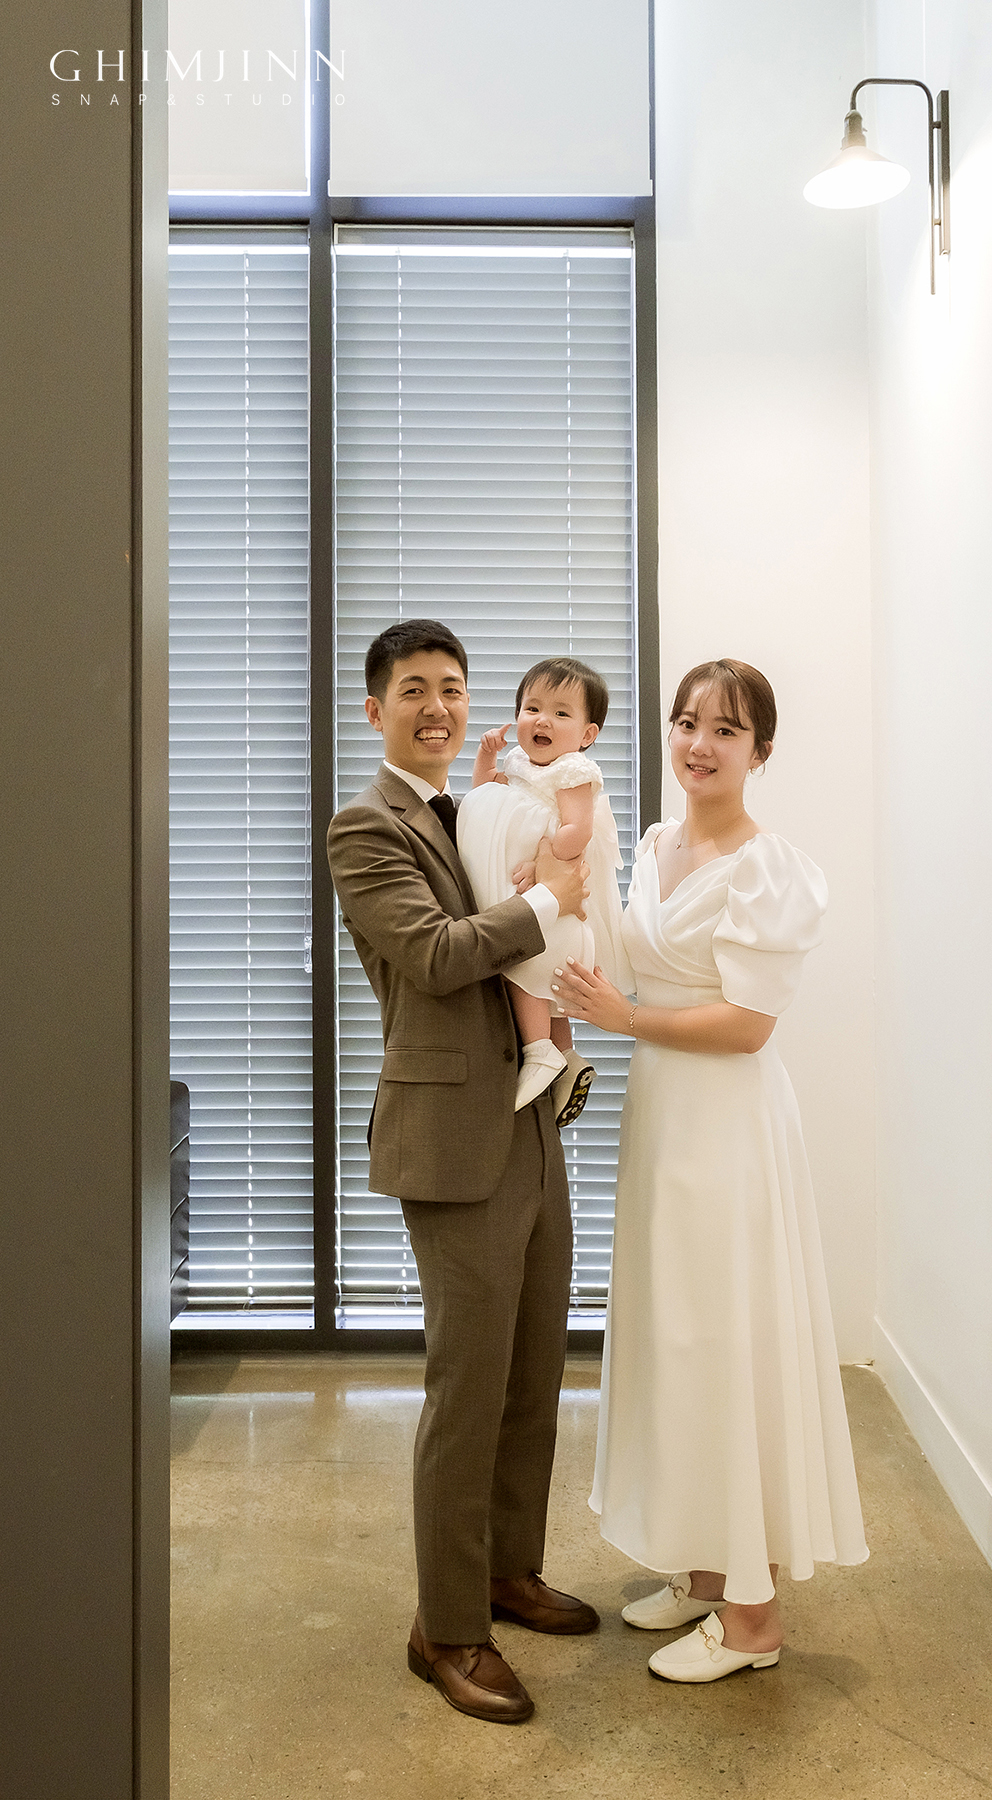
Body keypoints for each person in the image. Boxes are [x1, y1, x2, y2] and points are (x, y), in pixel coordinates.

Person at [551, 658, 868, 1685]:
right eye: (688, 722)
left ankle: (753, 1620)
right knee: (678, 1339)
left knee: (727, 1343)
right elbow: (624, 956)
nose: (699, 744)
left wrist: (624, 1018)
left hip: (729, 1125)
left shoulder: (769, 868)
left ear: (760, 752)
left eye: (726, 730)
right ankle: (705, 1569)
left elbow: (747, 1025)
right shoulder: (656, 844)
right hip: (665, 1121)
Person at [326, 619, 600, 1727]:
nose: (435, 706)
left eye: (450, 686)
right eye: (412, 689)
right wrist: (551, 901)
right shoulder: (366, 826)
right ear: (376, 710)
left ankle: (506, 1569)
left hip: (531, 1120)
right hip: (449, 1137)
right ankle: (444, 1627)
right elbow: (440, 958)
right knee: (468, 1384)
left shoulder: (486, 804)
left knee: (534, 1368)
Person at [457, 656, 634, 1122]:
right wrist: (486, 756)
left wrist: (546, 858)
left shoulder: (572, 771)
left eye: (560, 713)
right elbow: (483, 794)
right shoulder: (519, 763)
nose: (542, 720)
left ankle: (539, 1051)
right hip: (536, 898)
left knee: (524, 970)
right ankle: (568, 1058)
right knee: (549, 986)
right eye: (532, 708)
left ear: (587, 734)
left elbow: (579, 828)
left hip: (554, 897)